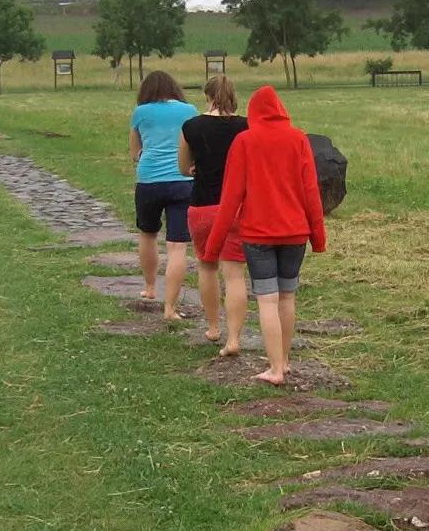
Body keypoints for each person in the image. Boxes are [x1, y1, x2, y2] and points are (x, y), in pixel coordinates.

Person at [200, 85, 325, 386]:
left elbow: (230, 198)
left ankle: (275, 369)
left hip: (258, 235)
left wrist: (212, 247)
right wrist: (318, 237)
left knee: (267, 301)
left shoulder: (245, 141)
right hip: (295, 233)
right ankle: (284, 360)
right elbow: (311, 192)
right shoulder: (298, 139)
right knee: (287, 297)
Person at [177, 76, 248, 353]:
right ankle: (234, 339)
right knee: (234, 275)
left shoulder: (191, 127)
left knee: (207, 266)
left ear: (207, 96)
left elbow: (183, 168)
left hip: (203, 206)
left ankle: (212, 327)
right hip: (236, 209)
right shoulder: (245, 126)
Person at [129, 71, 199, 321]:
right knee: (177, 246)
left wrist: (146, 158)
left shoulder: (140, 112)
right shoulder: (189, 110)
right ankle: (170, 308)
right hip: (182, 181)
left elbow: (135, 151)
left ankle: (149, 287)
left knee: (148, 234)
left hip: (149, 181)